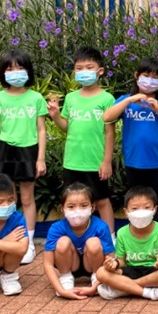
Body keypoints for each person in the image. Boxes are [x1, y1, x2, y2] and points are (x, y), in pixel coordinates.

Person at [0, 50, 47, 265]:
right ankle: (9, 239)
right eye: (10, 68)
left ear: (28, 71)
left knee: (27, 198)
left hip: (28, 150)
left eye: (20, 67)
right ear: (3, 73)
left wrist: (40, 158)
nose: (15, 72)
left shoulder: (36, 97)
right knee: (5, 198)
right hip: (3, 150)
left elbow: (41, 129)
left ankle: (28, 242)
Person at [47, 47, 116, 233]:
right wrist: (55, 116)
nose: (84, 71)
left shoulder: (107, 99)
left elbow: (110, 133)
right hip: (72, 161)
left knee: (101, 201)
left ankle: (110, 238)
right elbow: (67, 127)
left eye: (89, 67)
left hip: (95, 162)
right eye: (79, 68)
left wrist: (107, 161)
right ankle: (71, 236)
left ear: (100, 71)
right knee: (71, 201)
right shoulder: (71, 98)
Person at [103, 58, 158, 224]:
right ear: (136, 76)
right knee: (135, 203)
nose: (150, 81)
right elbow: (107, 117)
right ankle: (137, 234)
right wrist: (129, 100)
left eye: (155, 77)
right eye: (146, 75)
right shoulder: (126, 100)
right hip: (133, 161)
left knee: (156, 202)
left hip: (157, 162)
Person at [95, 186, 158, 301]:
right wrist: (114, 263)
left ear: (154, 209)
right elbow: (122, 261)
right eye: (134, 208)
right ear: (126, 212)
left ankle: (124, 289)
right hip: (131, 270)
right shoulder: (122, 232)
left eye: (146, 207)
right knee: (101, 273)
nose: (141, 212)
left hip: (155, 271)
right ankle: (148, 293)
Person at [42, 182, 115, 300]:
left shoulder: (101, 226)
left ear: (93, 207)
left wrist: (94, 288)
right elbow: (48, 263)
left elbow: (111, 260)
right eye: (71, 206)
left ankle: (97, 277)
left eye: (83, 205)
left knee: (94, 243)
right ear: (62, 209)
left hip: (94, 265)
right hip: (70, 264)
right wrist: (61, 290)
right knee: (62, 242)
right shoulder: (56, 228)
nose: (77, 211)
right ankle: (65, 277)